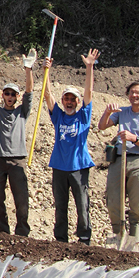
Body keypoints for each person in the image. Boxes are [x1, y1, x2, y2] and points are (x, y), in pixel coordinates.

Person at [0, 49, 36, 236]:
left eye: (13, 94)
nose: (10, 96)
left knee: (21, 199)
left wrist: (28, 69)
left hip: (18, 160)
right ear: (3, 95)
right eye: (7, 93)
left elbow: (30, 91)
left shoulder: (22, 112)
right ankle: (2, 232)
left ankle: (22, 233)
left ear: (16, 97)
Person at [43, 49, 98, 245]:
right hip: (59, 166)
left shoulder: (82, 116)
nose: (68, 102)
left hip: (79, 167)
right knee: (60, 205)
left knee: (82, 205)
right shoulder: (58, 116)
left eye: (72, 99)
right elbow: (48, 95)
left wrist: (89, 67)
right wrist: (46, 72)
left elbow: (89, 93)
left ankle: (84, 238)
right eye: (66, 98)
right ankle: (61, 240)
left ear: (77, 102)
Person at [98, 80, 139, 251]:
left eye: (137, 92)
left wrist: (135, 139)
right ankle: (118, 234)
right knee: (114, 200)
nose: (134, 95)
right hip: (119, 159)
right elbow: (102, 126)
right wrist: (107, 112)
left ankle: (133, 239)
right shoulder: (122, 112)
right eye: (131, 92)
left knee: (136, 203)